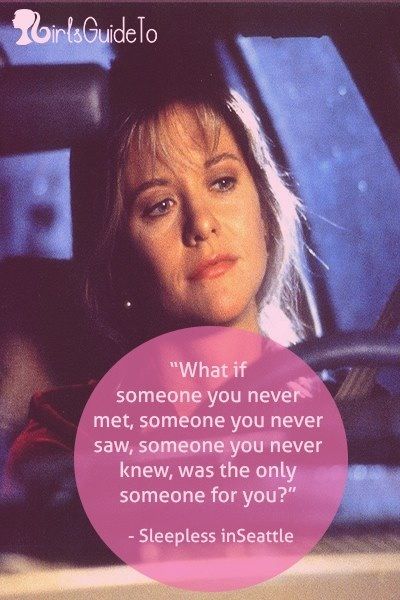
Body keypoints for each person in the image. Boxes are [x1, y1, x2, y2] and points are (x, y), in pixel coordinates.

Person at [6, 63, 307, 484]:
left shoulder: (351, 408)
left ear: (264, 212)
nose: (202, 223)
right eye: (159, 206)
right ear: (119, 264)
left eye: (222, 182)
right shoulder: (73, 448)